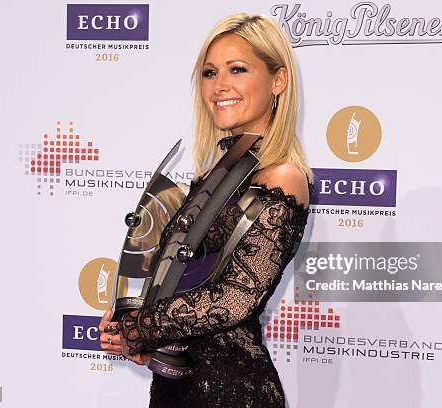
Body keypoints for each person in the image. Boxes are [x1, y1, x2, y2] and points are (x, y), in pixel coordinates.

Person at [99, 13, 314, 407]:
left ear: (278, 80)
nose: (220, 86)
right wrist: (129, 320)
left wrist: (143, 327)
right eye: (210, 72)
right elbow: (180, 275)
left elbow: (234, 298)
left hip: (232, 392)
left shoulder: (282, 176)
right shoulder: (216, 174)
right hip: (175, 386)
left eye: (238, 69)